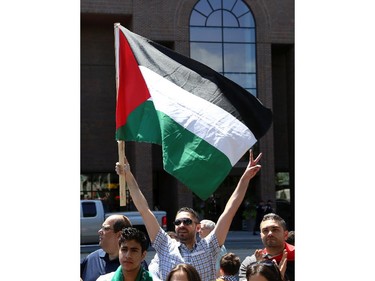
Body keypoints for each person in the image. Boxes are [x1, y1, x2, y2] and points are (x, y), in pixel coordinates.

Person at [116, 149, 262, 281]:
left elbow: (230, 210)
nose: (181, 225)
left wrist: (245, 178)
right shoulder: (164, 244)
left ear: (198, 227)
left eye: (186, 221)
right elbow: (144, 209)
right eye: (177, 222)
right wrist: (128, 175)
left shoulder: (210, 245)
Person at [80, 215, 148, 281]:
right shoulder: (92, 258)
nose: (100, 231)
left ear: (119, 235)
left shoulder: (134, 263)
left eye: (106, 228)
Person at [239, 213, 294, 281]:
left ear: (285, 235)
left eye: (275, 230)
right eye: (265, 230)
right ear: (261, 236)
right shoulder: (250, 263)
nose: (270, 233)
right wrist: (259, 271)